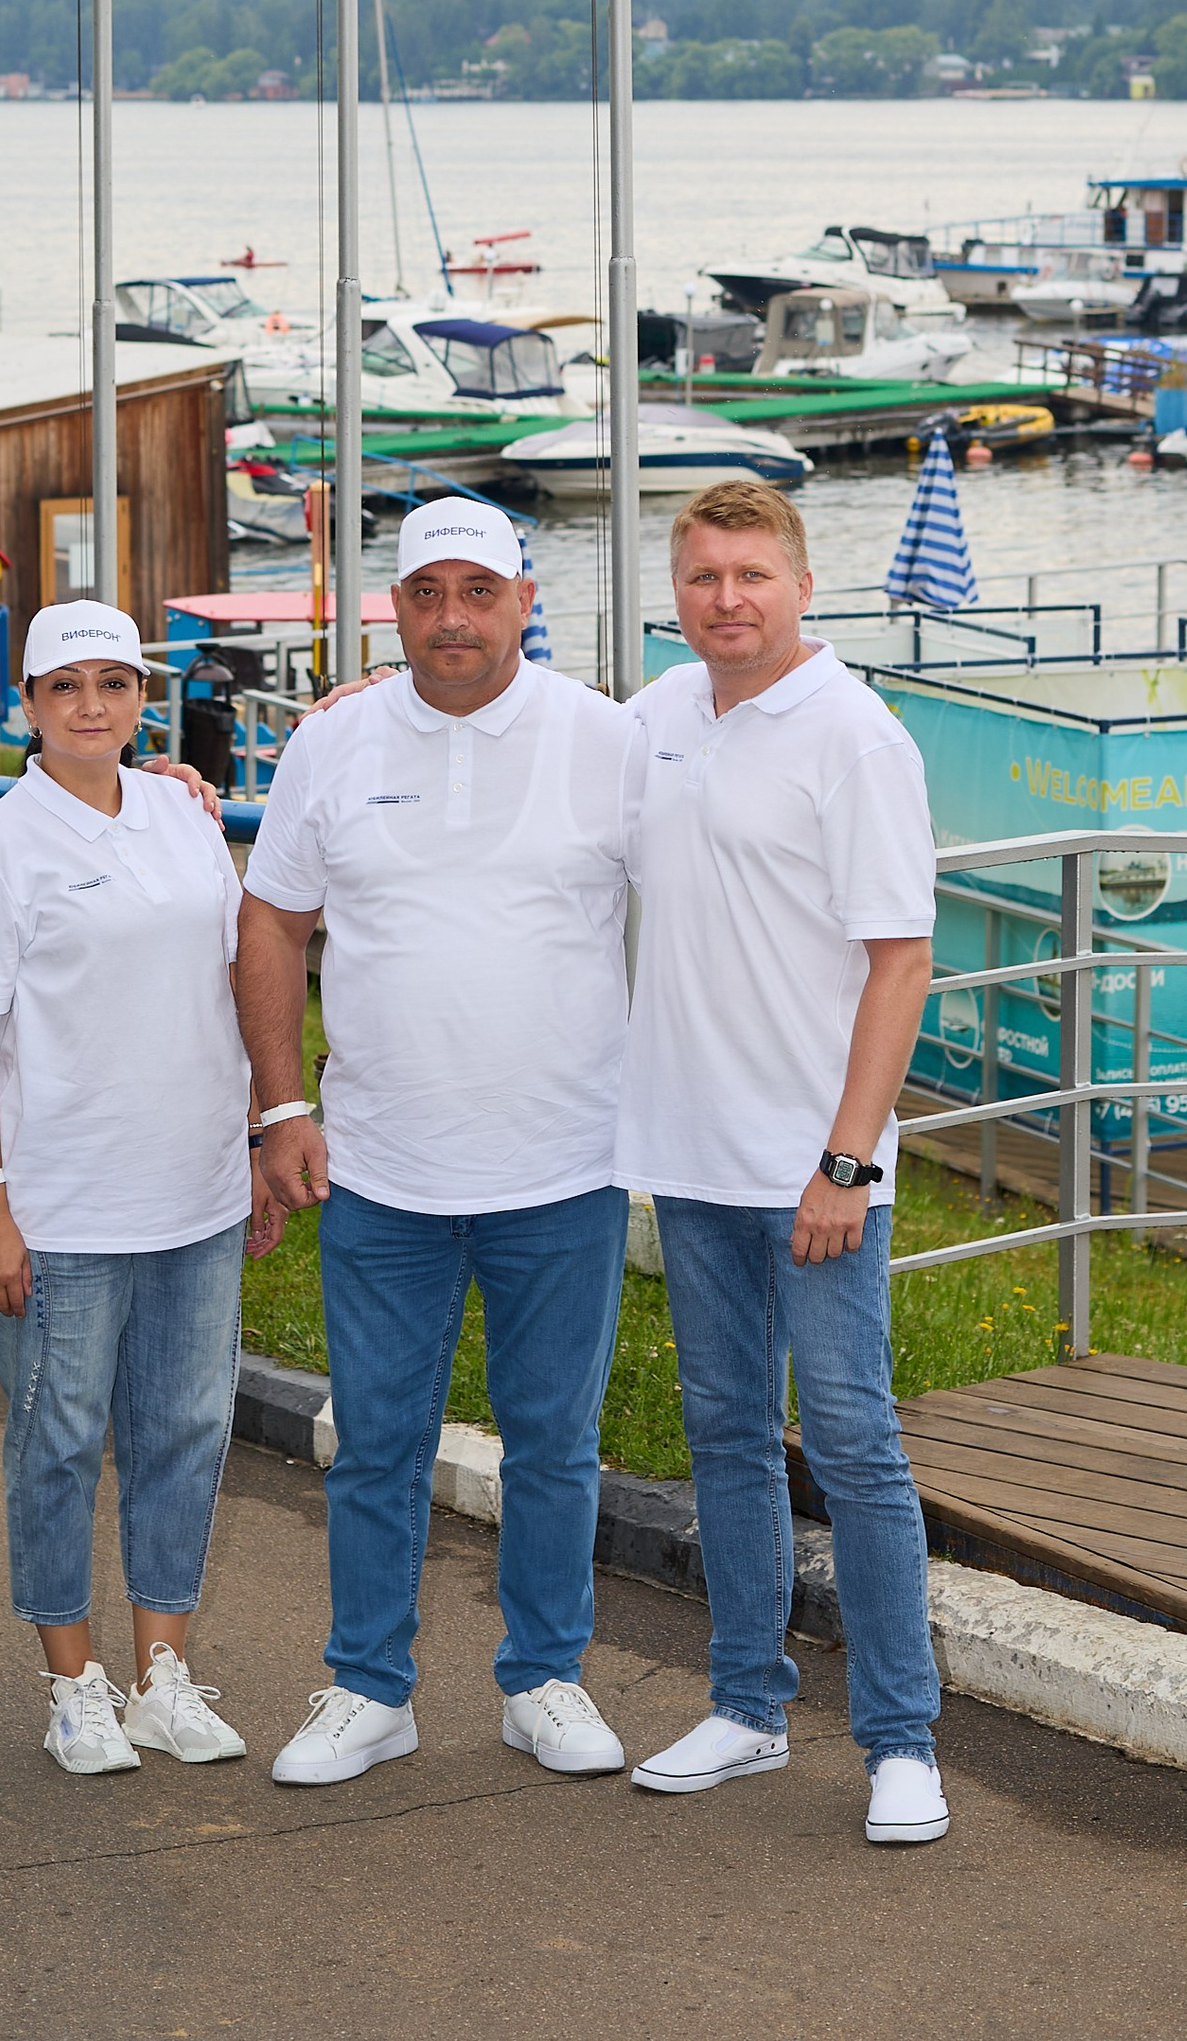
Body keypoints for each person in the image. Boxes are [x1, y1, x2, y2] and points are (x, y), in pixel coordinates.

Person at [236, 494, 637, 1787]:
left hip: (564, 1164)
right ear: (394, 609)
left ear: (525, 599)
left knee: (556, 1445)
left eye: (478, 591)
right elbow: (270, 924)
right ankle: (370, 1689)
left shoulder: (609, 740)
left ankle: (545, 1679)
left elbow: (710, 897)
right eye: (425, 594)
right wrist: (280, 1108)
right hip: (380, 1167)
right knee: (377, 1444)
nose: (452, 617)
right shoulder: (333, 742)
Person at [616, 479, 948, 1844]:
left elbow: (902, 961)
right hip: (691, 1152)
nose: (727, 599)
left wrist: (846, 1163)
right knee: (726, 1437)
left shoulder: (855, 737)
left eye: (752, 574)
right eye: (703, 576)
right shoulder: (656, 716)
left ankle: (901, 1741)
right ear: (677, 592)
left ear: (803, 586)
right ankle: (748, 1706)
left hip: (818, 1169)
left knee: (856, 1447)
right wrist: (358, 708)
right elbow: (518, 746)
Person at [0, 600, 282, 1779]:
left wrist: (252, 1137)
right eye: (65, 687)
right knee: (58, 1445)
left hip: (194, 1193)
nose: (91, 706)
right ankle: (71, 1683)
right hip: (63, 1207)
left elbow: (228, 984)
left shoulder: (185, 815)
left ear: (142, 697)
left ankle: (161, 1677)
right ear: (27, 705)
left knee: (185, 1433)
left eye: (114, 684)